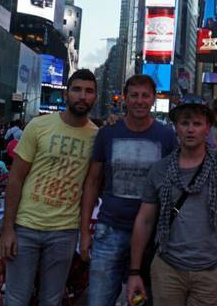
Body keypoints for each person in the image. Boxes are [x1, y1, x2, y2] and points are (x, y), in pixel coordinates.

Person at [126, 101, 217, 306]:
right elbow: (144, 220)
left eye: (197, 124)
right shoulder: (160, 169)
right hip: (167, 269)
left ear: (207, 128)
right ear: (176, 128)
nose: (191, 129)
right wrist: (134, 271)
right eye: (185, 123)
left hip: (211, 272)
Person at [0, 69, 98, 306]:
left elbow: (90, 188)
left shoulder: (97, 136)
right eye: (76, 90)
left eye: (89, 91)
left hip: (65, 230)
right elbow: (15, 178)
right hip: (25, 227)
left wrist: (84, 233)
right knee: (15, 298)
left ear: (95, 97)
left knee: (52, 300)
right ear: (66, 94)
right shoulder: (38, 125)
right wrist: (8, 228)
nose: (82, 96)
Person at [80, 75, 177, 306]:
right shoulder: (108, 132)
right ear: (125, 98)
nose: (139, 101)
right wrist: (84, 232)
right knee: (98, 300)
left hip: (151, 235)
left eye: (145, 96)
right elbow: (93, 182)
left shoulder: (166, 136)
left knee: (142, 301)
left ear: (154, 99)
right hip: (110, 229)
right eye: (134, 95)